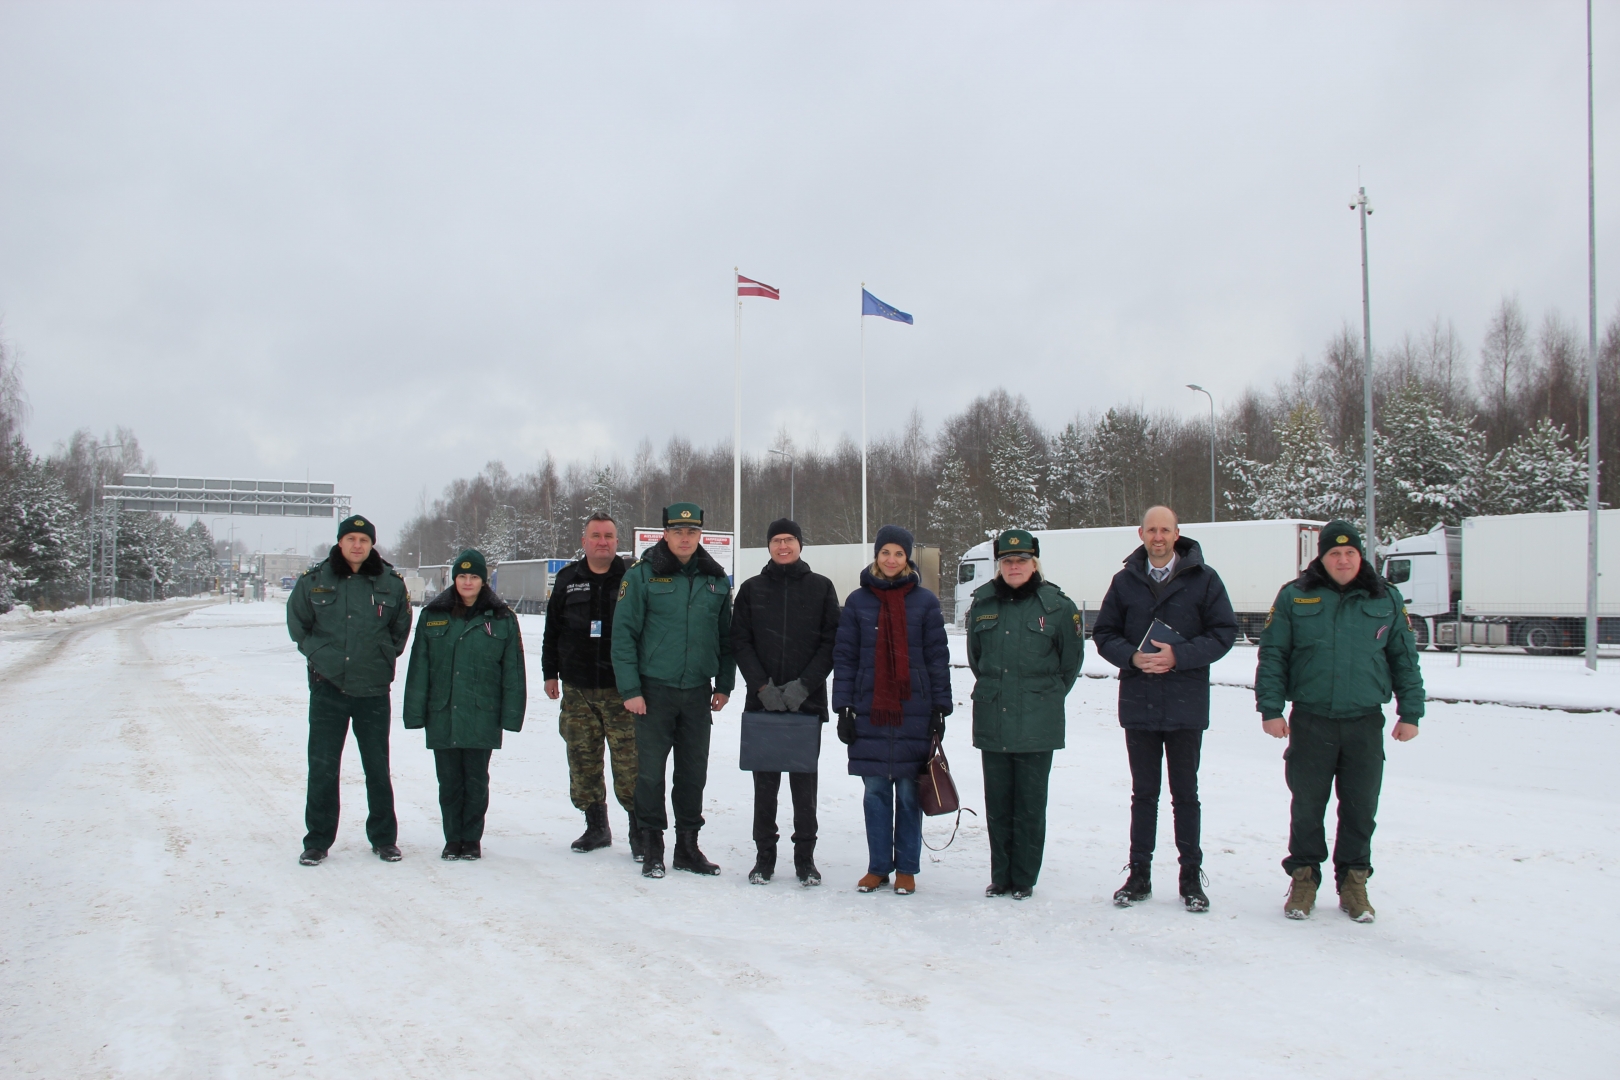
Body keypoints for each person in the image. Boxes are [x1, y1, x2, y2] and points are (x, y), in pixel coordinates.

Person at [1257, 520, 1424, 923]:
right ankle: (1303, 879)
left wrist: (1411, 712)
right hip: (1311, 720)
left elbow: (1404, 657)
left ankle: (1353, 882)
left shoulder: (1385, 596)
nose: (1343, 560)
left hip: (1364, 722)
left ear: (1361, 556)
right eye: (1335, 553)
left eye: (1350, 553)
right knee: (1307, 806)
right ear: (1323, 557)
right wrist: (1271, 709)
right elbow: (1274, 654)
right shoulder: (1295, 596)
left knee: (1361, 808)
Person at [1092, 505, 1239, 912]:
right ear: (1141, 534)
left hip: (1185, 702)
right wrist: (1131, 657)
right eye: (1151, 530)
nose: (1158, 537)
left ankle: (1190, 877)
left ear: (1177, 534)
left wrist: (1180, 655)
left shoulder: (1204, 580)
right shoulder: (1124, 582)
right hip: (1139, 702)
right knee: (1144, 794)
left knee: (1185, 794)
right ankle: (1139, 874)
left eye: (1165, 530)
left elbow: (1224, 632)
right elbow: (1103, 632)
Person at [612, 503, 735, 878]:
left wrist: (724, 683)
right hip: (653, 692)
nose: (685, 538)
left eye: (692, 532)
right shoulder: (642, 575)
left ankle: (687, 847)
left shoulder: (716, 580)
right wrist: (630, 689)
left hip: (697, 692)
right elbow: (623, 636)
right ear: (665, 534)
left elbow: (726, 637)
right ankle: (652, 846)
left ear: (700, 535)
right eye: (678, 531)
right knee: (650, 773)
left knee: (693, 774)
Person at [286, 514, 413, 866]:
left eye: (364, 540)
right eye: (351, 539)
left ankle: (384, 838)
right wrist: (320, 656)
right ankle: (318, 840)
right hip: (328, 687)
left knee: (377, 767)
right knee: (322, 767)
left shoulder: (390, 583)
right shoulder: (315, 581)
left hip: (373, 690)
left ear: (372, 544)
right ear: (340, 542)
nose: (357, 545)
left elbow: (400, 629)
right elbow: (298, 625)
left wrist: (380, 657)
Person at [832, 525, 952, 896]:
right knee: (875, 793)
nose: (891, 559)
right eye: (885, 552)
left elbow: (937, 657)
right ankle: (878, 867)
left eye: (899, 553)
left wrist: (940, 707)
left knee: (909, 794)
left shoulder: (925, 602)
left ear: (907, 558)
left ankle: (907, 869)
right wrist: (844, 707)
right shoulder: (857, 601)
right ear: (876, 555)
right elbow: (845, 657)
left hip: (914, 709)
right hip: (869, 709)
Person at [965, 529, 1084, 901]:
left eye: (1021, 560)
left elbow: (1069, 664)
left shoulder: (1058, 607)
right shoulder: (983, 603)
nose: (1014, 567)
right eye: (1007, 561)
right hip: (994, 717)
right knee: (998, 805)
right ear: (999, 565)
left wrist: (1040, 698)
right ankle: (1001, 876)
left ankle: (1024, 878)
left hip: (1037, 721)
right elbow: (977, 659)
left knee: (1030, 805)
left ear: (1034, 563)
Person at [731, 518, 840, 887]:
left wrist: (804, 686)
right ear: (768, 546)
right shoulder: (751, 589)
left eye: (789, 540)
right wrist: (763, 687)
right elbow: (740, 641)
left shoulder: (821, 587)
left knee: (804, 789)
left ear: (800, 544)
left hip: (805, 705)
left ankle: (805, 858)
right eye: (776, 540)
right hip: (763, 704)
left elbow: (831, 642)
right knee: (765, 788)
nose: (783, 546)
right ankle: (764, 857)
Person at [402, 549, 527, 860]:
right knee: (449, 782)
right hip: (443, 711)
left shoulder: (502, 619)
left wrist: (511, 715)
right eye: (462, 576)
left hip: (482, 713)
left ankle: (471, 839)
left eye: (474, 576)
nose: (467, 582)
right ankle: (452, 838)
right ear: (454, 579)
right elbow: (419, 667)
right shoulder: (433, 615)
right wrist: (415, 713)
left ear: (484, 580)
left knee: (476, 781)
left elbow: (513, 671)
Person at [542, 513, 640, 859]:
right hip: (578, 689)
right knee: (583, 760)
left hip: (622, 690)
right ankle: (596, 826)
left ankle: (639, 831)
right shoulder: (568, 579)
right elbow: (552, 630)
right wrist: (550, 673)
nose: (602, 542)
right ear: (584, 542)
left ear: (617, 541)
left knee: (630, 765)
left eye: (608, 536)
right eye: (595, 536)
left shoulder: (632, 578)